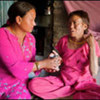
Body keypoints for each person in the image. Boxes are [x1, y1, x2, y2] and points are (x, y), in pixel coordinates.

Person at [28, 10, 100, 99]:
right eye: (69, 23)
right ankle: (73, 94)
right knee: (33, 85)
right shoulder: (64, 40)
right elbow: (58, 60)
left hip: (84, 83)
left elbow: (94, 72)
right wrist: (54, 61)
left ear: (84, 26)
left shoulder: (91, 44)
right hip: (63, 81)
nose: (71, 26)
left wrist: (92, 46)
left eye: (75, 23)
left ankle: (69, 94)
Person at [0, 1, 62, 99]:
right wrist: (43, 63)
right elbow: (16, 69)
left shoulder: (30, 39)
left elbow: (31, 65)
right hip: (2, 84)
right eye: (31, 19)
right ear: (19, 20)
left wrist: (47, 65)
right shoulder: (2, 36)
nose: (34, 23)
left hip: (19, 85)